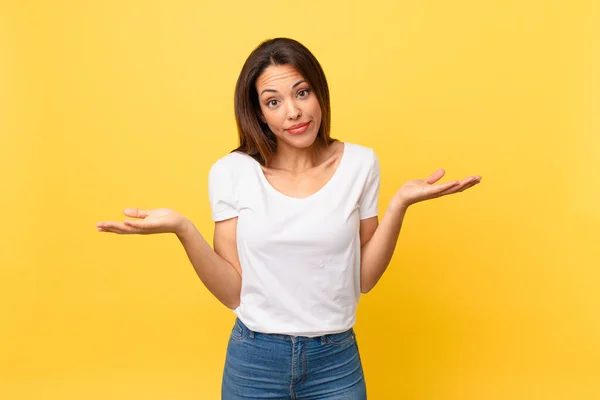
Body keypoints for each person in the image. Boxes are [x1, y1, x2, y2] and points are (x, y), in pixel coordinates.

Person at [96, 37, 481, 399]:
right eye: (273, 101)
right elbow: (232, 291)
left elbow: (364, 280)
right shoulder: (231, 172)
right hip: (254, 359)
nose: (293, 111)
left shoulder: (361, 164)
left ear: (319, 94)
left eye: (302, 92)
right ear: (259, 114)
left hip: (336, 359)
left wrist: (399, 204)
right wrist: (183, 229)